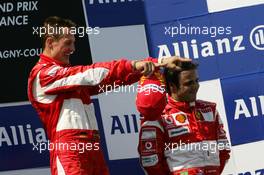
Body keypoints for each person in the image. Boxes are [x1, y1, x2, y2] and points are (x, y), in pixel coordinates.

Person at [27, 16, 190, 175]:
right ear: (50, 42)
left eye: (74, 43)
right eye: (68, 43)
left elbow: (114, 79)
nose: (73, 49)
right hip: (69, 153)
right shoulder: (43, 74)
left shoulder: (70, 79)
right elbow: (93, 73)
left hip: (92, 148)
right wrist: (133, 64)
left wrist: (157, 63)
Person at [137, 62, 231, 175]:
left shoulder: (210, 110)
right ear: (172, 86)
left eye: (196, 81)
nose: (195, 86)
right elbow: (150, 163)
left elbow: (224, 150)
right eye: (189, 83)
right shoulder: (157, 117)